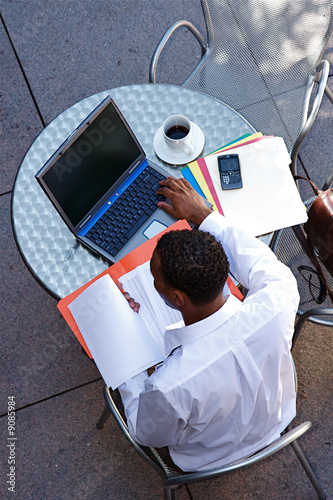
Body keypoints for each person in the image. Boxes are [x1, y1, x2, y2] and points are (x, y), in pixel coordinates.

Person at [118, 176, 299, 472]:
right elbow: (253, 257)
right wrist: (202, 214)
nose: (153, 282)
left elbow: (143, 430)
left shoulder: (169, 385)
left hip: (209, 458)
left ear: (177, 298)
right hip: (278, 417)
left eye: (154, 279)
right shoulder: (278, 296)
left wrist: (133, 357)